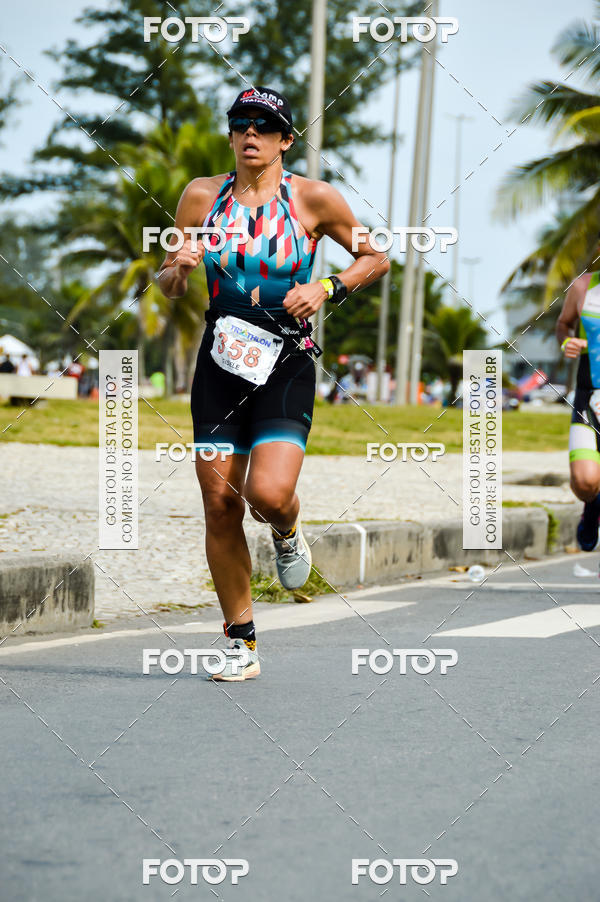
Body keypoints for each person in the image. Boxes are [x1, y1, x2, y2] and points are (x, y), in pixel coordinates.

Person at [158, 86, 389, 680]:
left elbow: (376, 256)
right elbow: (169, 284)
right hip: (220, 362)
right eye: (241, 124)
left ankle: (286, 530)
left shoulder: (313, 199)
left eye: (264, 125)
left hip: (285, 361)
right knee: (217, 503)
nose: (251, 134)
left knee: (267, 494)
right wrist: (177, 270)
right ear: (232, 136)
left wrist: (328, 287)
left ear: (286, 139)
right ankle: (241, 641)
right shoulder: (201, 197)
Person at [556, 269, 600, 550]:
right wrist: (567, 342)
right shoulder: (584, 286)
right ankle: (593, 505)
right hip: (589, 396)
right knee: (584, 482)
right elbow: (564, 324)